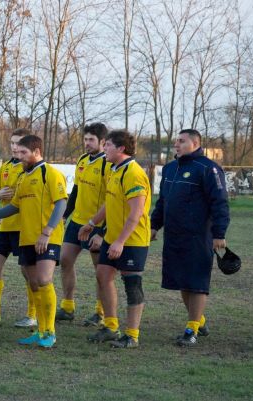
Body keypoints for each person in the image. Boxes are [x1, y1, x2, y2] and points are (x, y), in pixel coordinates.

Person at [151, 128, 229, 347]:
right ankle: (199, 320)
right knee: (182, 281)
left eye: (181, 141)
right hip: (174, 236)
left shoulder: (209, 168)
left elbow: (219, 202)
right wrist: (154, 225)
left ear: (195, 144)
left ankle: (191, 329)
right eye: (176, 140)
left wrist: (219, 233)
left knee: (196, 283)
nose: (176, 144)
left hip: (198, 237)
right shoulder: (169, 169)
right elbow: (163, 202)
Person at [0, 135, 67, 348]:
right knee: (34, 283)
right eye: (18, 152)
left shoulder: (50, 173)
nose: (19, 156)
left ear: (37, 151)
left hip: (48, 238)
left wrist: (47, 232)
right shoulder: (23, 177)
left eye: (24, 153)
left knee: (43, 279)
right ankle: (41, 330)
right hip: (26, 238)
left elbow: (61, 203)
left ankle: (50, 332)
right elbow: (15, 206)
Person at [79, 129, 151, 349]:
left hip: (132, 240)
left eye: (108, 145)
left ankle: (132, 335)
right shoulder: (113, 169)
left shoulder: (133, 173)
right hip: (112, 237)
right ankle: (111, 327)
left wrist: (120, 241)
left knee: (132, 284)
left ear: (121, 149)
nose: (105, 148)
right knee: (103, 275)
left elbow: (136, 213)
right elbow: (109, 204)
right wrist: (92, 223)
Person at [0, 128, 37, 328]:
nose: (14, 147)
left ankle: (32, 314)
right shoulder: (5, 166)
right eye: (12, 143)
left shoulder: (30, 168)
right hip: (5, 226)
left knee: (27, 271)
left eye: (18, 143)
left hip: (23, 227)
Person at [57, 123, 110, 326]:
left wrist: (103, 230)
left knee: (100, 271)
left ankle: (100, 312)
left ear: (103, 142)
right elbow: (76, 191)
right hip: (77, 222)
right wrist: (65, 215)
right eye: (85, 139)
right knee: (65, 260)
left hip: (97, 225)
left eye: (91, 140)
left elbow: (112, 200)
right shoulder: (82, 160)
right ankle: (68, 307)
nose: (86, 143)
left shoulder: (108, 164)